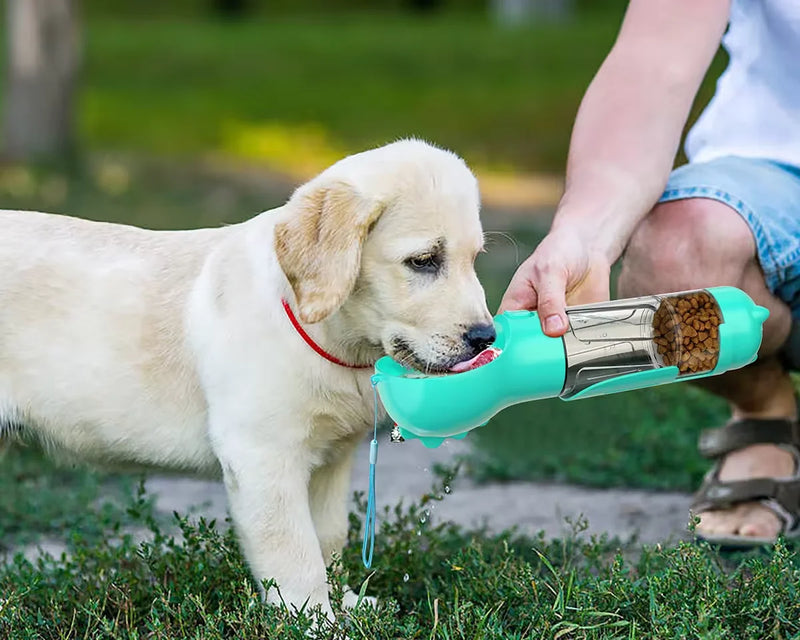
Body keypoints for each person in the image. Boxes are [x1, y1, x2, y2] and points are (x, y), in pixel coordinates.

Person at [499, 0, 800, 546]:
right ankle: (765, 412)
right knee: (678, 258)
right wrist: (585, 235)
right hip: (776, 166)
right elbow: (652, 63)